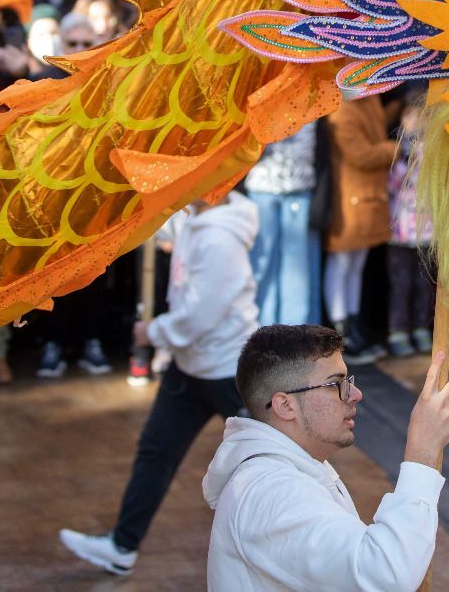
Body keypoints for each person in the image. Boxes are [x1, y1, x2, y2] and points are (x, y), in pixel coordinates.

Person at [59, 192, 261, 576]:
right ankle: (123, 545)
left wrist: (154, 331)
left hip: (227, 369)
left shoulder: (220, 237)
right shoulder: (195, 220)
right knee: (156, 452)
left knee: (269, 460)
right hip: (189, 366)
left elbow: (202, 314)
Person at [203, 325, 449, 590]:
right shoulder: (271, 491)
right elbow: (383, 574)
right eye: (335, 384)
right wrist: (421, 455)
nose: (355, 395)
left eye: (348, 382)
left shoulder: (293, 468)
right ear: (285, 405)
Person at [324, 97, 396, 364]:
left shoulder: (370, 101)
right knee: (342, 264)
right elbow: (360, 155)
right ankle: (341, 331)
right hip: (350, 201)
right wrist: (394, 148)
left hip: (365, 199)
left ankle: (353, 324)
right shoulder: (343, 109)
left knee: (355, 265)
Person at [241, 121, 322, 328]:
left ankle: (295, 337)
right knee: (262, 261)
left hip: (299, 187)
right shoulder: (261, 101)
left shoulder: (313, 98)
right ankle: (261, 332)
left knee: (296, 269)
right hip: (262, 187)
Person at [385, 96, 435, 356]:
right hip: (400, 230)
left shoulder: (432, 149)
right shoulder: (395, 150)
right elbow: (391, 185)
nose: (414, 123)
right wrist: (404, 161)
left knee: (424, 282)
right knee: (401, 283)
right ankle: (398, 331)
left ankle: (420, 328)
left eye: (420, 118)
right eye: (409, 118)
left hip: (426, 231)